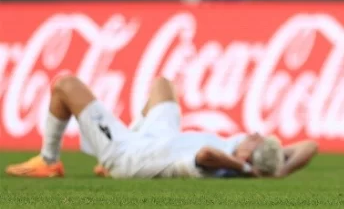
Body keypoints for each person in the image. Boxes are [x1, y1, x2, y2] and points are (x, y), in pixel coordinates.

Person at [5, 76, 317, 179]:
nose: (255, 133)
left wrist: (246, 171)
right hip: (156, 137)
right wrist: (277, 171)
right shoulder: (239, 148)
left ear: (248, 157)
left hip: (129, 155)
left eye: (258, 140)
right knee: (163, 86)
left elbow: (207, 153)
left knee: (65, 85)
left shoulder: (216, 165)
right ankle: (118, 143)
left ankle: (48, 161)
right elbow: (310, 146)